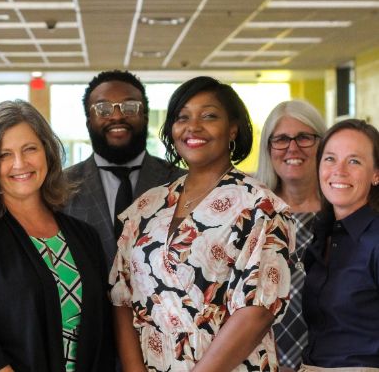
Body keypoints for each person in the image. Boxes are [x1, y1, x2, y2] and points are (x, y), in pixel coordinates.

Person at [110, 76, 294, 371]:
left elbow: (258, 310)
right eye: (183, 117)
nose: (193, 126)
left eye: (209, 116)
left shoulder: (260, 205)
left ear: (233, 127)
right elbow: (121, 298)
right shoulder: (147, 206)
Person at [0, 100, 114, 372]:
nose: (20, 163)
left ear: (47, 152)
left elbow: (101, 332)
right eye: (4, 154)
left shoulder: (84, 236)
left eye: (29, 149)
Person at [63, 70, 185, 269]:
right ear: (88, 121)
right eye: (103, 109)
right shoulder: (60, 187)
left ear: (145, 117)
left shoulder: (182, 182)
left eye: (130, 107)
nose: (117, 116)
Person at [301, 119, 379, 371]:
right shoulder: (323, 233)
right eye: (330, 159)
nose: (339, 170)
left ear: (376, 174)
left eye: (354, 161)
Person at [256, 100, 326, 371]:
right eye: (282, 139)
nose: (292, 148)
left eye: (304, 137)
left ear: (322, 144)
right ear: (268, 148)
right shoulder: (253, 217)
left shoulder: (343, 217)